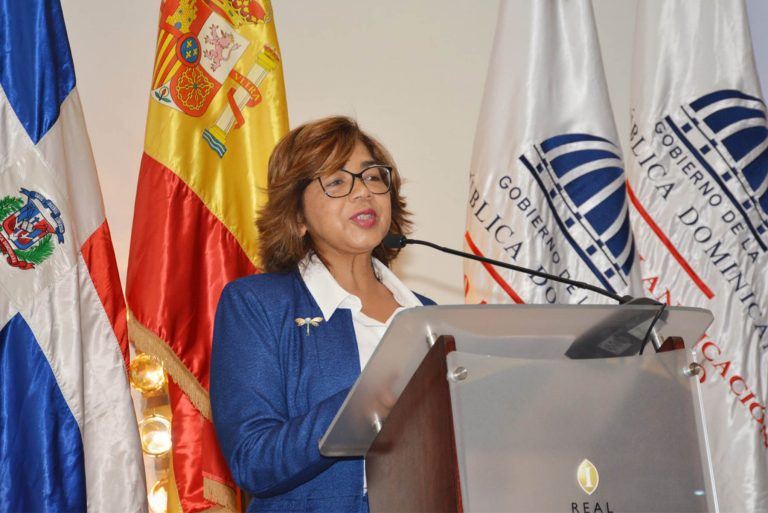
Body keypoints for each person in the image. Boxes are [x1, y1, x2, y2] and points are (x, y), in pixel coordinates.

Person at [210, 116, 435, 512]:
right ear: (297, 218)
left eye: (372, 176)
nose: (363, 192)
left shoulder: (427, 315)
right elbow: (253, 459)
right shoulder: (258, 305)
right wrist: (362, 404)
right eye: (336, 181)